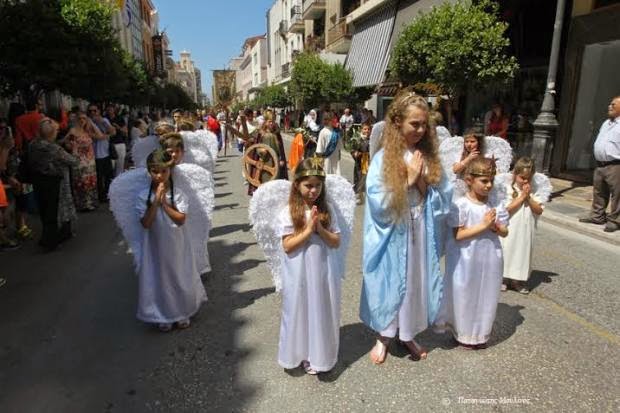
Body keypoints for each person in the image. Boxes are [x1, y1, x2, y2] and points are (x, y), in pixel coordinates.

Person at [359, 90, 450, 364]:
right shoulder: (383, 158)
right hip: (394, 230)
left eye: (425, 125)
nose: (421, 130)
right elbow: (376, 200)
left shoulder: (428, 156)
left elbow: (442, 197)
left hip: (420, 226)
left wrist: (422, 182)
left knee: (413, 280)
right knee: (391, 280)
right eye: (415, 124)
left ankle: (407, 332)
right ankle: (385, 334)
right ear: (398, 123)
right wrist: (408, 179)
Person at [435, 157, 509, 349]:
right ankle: (462, 331)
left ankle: (480, 334)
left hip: (491, 256)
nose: (489, 185)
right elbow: (459, 235)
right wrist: (483, 225)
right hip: (466, 258)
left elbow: (505, 232)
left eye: (491, 180)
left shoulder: (495, 204)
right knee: (465, 293)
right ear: (469, 180)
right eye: (484, 181)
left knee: (486, 293)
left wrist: (496, 227)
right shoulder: (461, 205)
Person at [135, 150, 207, 331]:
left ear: (170, 171)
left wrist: (164, 203)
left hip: (177, 244)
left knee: (178, 275)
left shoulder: (179, 194)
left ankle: (182, 311)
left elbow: (180, 219)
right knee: (160, 278)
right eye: (155, 171)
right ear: (149, 172)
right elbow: (146, 223)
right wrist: (155, 201)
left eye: (164, 171)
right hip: (155, 246)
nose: (159, 176)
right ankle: (163, 314)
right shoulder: (143, 196)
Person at [499, 157, 550, 294]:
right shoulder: (507, 189)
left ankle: (517, 280)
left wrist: (528, 197)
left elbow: (539, 210)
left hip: (526, 228)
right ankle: (503, 278)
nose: (525, 181)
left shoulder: (534, 191)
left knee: (522, 251)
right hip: (510, 226)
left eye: (529, 178)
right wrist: (521, 197)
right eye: (522, 178)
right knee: (507, 249)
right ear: (515, 174)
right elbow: (506, 209)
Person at [28, 118, 78, 251]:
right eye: (56, 130)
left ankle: (47, 237)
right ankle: (51, 241)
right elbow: (72, 161)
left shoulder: (33, 144)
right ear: (50, 133)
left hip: (38, 181)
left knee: (44, 211)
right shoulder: (53, 149)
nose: (58, 132)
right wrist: (73, 149)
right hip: (54, 181)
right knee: (54, 212)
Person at [579, 96, 620, 233]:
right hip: (600, 164)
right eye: (610, 104)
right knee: (599, 192)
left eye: (613, 105)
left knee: (617, 194)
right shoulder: (606, 123)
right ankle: (597, 216)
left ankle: (614, 220)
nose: (609, 106)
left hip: (615, 165)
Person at [64, 111, 98, 211]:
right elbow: (65, 143)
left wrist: (91, 123)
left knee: (90, 182)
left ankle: (91, 203)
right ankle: (82, 204)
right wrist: (72, 146)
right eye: (80, 119)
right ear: (76, 120)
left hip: (90, 161)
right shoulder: (73, 131)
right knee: (81, 182)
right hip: (79, 160)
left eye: (84, 118)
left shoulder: (87, 130)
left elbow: (100, 135)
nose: (82, 121)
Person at [88, 104, 115, 203]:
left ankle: (108, 193)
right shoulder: (88, 122)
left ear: (98, 111)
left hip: (106, 152)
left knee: (109, 175)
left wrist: (103, 122)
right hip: (95, 154)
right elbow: (95, 136)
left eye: (94, 111)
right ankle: (101, 196)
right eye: (90, 111)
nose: (92, 113)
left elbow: (113, 132)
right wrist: (104, 136)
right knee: (99, 177)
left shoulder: (104, 120)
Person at [316, 110, 342, 175]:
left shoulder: (336, 132)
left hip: (335, 159)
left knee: (336, 174)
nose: (335, 120)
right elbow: (320, 149)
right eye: (333, 119)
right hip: (326, 159)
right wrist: (320, 161)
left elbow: (339, 147)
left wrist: (339, 154)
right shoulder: (323, 132)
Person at [350, 122, 371, 204]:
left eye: (369, 129)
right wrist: (355, 153)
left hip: (369, 162)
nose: (367, 131)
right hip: (360, 162)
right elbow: (353, 150)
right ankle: (358, 195)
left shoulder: (371, 139)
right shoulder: (357, 140)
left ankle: (367, 196)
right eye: (365, 129)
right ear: (361, 130)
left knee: (368, 178)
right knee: (359, 178)